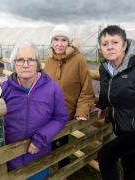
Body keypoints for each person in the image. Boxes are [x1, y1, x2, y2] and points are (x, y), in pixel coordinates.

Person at [94, 25, 135, 180]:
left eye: (114, 42)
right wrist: (101, 104)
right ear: (100, 47)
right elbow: (105, 89)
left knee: (105, 155)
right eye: (105, 43)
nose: (110, 47)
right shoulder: (105, 67)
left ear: (124, 44)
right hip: (124, 125)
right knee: (130, 162)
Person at [2, 41, 68, 180]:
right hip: (8, 160)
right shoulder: (4, 89)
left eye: (31, 60)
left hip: (38, 158)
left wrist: (41, 138)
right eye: (20, 60)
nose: (25, 65)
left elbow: (60, 117)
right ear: (14, 64)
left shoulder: (52, 88)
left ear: (38, 64)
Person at [44, 24, 95, 168]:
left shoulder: (78, 60)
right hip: (48, 111)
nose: (59, 44)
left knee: (61, 143)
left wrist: (82, 110)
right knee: (50, 142)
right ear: (51, 41)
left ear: (69, 42)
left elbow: (86, 88)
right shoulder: (49, 61)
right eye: (56, 39)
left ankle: (64, 169)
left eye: (63, 40)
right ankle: (53, 168)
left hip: (67, 112)